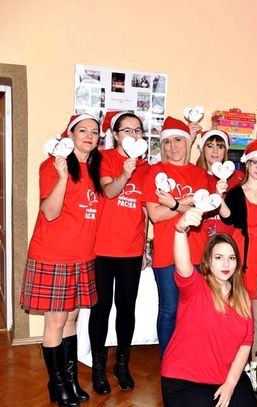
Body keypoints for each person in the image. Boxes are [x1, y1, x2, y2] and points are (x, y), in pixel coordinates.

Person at [20, 113, 103, 407]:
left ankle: (69, 380)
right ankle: (58, 384)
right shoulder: (52, 166)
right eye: (83, 130)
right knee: (55, 320)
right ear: (70, 134)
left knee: (71, 318)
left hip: (82, 256)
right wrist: (62, 178)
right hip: (54, 255)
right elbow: (51, 212)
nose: (89, 136)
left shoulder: (93, 169)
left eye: (94, 131)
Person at [160, 208, 257, 407]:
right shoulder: (195, 286)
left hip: (226, 376)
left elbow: (246, 343)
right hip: (185, 380)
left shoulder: (242, 297)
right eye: (219, 257)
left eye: (231, 258)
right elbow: (182, 264)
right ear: (208, 261)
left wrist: (230, 383)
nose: (226, 264)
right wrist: (180, 230)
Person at [89, 111, 150, 394]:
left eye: (138, 130)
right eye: (127, 130)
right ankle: (99, 367)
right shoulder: (103, 158)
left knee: (127, 308)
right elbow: (109, 192)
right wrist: (125, 173)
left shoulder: (147, 167)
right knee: (101, 309)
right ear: (115, 134)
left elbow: (146, 209)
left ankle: (122, 364)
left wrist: (146, 247)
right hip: (102, 249)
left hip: (131, 250)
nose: (133, 135)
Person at [142, 116, 209, 356]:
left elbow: (201, 212)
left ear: (188, 142)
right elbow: (155, 215)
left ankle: (190, 358)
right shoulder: (154, 172)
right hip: (166, 252)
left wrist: (172, 203)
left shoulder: (200, 175)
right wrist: (183, 204)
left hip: (197, 252)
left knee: (194, 310)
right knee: (169, 309)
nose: (173, 147)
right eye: (167, 141)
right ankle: (168, 361)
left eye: (178, 140)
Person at [219, 139, 257, 369]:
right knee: (240, 314)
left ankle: (255, 364)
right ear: (247, 164)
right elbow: (228, 218)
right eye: (256, 163)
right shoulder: (235, 193)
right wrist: (219, 198)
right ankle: (232, 362)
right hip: (244, 256)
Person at [195, 129, 243, 238]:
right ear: (203, 149)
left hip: (229, 240)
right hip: (201, 240)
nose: (215, 151)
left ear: (225, 151)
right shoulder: (195, 175)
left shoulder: (238, 177)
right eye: (210, 146)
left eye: (220, 147)